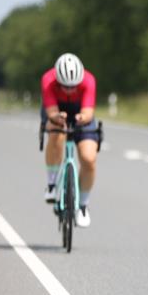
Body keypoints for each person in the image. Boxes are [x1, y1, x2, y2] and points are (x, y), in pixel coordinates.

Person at [41, 53, 99, 228]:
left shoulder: (89, 80)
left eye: (73, 86)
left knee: (89, 159)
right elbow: (51, 112)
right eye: (64, 86)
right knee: (56, 134)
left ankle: (82, 205)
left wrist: (82, 117)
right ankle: (51, 184)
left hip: (81, 112)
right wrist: (57, 117)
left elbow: (88, 112)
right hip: (57, 111)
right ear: (57, 80)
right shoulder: (48, 80)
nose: (69, 90)